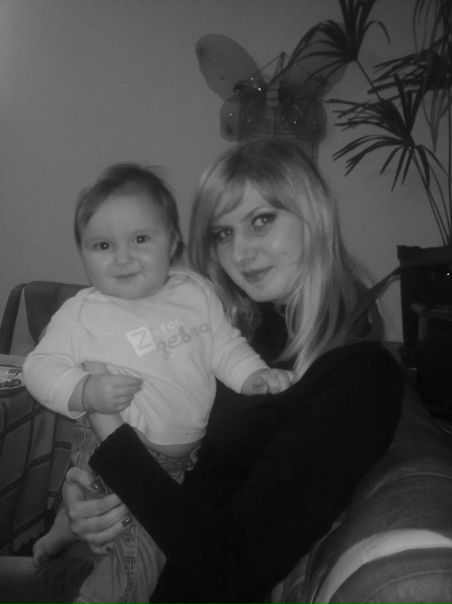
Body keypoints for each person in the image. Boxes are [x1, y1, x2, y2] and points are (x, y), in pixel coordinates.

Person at [0, 139, 403, 604]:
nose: (240, 253)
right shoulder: (249, 326)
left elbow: (226, 568)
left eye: (262, 220)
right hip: (112, 549)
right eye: (223, 233)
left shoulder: (359, 378)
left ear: (315, 216)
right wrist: (77, 506)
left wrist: (109, 430)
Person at [22, 162, 293, 604]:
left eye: (140, 240)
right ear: (83, 253)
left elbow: (224, 346)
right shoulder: (83, 312)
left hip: (185, 459)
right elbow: (38, 367)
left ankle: (62, 531)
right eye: (103, 245)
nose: (122, 258)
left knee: (160, 545)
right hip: (120, 451)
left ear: (173, 242)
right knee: (138, 563)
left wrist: (254, 376)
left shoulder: (196, 293)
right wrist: (85, 390)